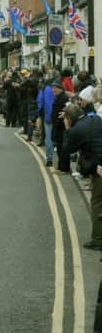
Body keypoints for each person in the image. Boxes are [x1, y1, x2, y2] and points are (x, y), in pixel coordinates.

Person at [63, 103, 102, 250]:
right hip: (97, 165)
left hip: (99, 169)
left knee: (97, 204)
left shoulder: (76, 130)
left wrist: (68, 129)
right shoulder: (95, 118)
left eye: (66, 118)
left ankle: (98, 240)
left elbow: (67, 150)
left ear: (70, 118)